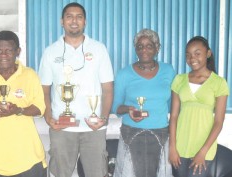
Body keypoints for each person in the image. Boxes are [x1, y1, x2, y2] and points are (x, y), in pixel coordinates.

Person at [38, 2, 114, 177]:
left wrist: (103, 117)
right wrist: (49, 117)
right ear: (61, 21)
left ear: (85, 22)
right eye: (69, 16)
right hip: (61, 128)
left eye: (79, 17)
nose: (74, 21)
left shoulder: (98, 49)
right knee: (60, 174)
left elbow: (108, 89)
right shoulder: (50, 52)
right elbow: (44, 90)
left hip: (93, 129)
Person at [0, 30, 47, 177]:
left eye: (8, 50)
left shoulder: (29, 75)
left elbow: (39, 108)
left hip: (28, 159)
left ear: (17, 51)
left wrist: (18, 110)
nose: (3, 55)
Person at [112, 29, 175, 177]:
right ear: (135, 50)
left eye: (149, 45)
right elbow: (116, 107)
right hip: (131, 134)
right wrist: (128, 109)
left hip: (161, 134)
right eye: (140, 46)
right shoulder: (124, 74)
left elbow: (174, 106)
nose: (144, 50)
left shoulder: (168, 71)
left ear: (157, 48)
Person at [169, 36, 229, 177]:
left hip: (204, 148)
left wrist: (203, 151)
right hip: (180, 147)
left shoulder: (219, 83)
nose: (192, 58)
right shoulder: (179, 80)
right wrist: (172, 147)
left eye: (197, 53)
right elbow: (174, 116)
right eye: (188, 55)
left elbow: (219, 122)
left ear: (208, 54)